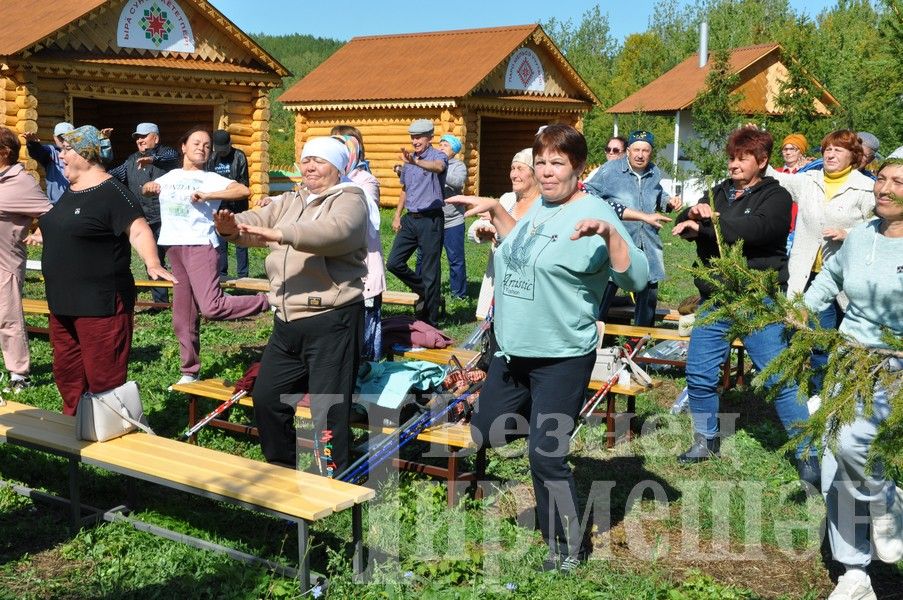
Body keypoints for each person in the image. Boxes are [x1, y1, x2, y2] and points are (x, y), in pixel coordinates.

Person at [448, 124, 649, 571]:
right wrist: (497, 217)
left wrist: (611, 236)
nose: (547, 171)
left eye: (557, 162)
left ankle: (567, 548)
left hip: (560, 355)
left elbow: (636, 278)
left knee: (545, 454)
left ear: (579, 167)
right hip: (511, 351)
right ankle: (541, 438)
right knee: (488, 430)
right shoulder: (538, 205)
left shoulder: (597, 212)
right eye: (541, 162)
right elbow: (526, 245)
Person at [214, 136, 368, 476]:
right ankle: (283, 467)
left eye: (320, 160)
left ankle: (335, 478)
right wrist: (231, 228)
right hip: (287, 322)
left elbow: (336, 233)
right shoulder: (291, 199)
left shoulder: (350, 200)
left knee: (327, 409)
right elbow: (258, 219)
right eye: (307, 159)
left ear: (338, 166)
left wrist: (280, 234)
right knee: (268, 398)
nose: (310, 166)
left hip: (332, 319)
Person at [671, 126, 815, 485]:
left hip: (756, 298)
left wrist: (708, 222)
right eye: (731, 157)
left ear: (762, 161)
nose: (734, 164)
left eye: (742, 158)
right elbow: (684, 220)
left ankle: (807, 453)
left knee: (778, 377)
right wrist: (692, 213)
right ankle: (706, 439)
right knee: (700, 374)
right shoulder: (718, 191)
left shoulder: (776, 196)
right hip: (715, 299)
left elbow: (757, 231)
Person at [804, 158, 903, 600]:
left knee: (854, 446)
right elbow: (831, 277)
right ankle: (855, 571)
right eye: (881, 178)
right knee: (835, 466)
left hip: (893, 366)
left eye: (898, 182)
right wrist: (800, 309)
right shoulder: (863, 234)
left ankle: (888, 503)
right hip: (849, 359)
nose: (885, 188)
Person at [30, 125, 174, 415]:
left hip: (101, 304)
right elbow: (70, 226)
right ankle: (74, 427)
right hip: (62, 302)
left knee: (104, 376)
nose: (61, 156)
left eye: (65, 150)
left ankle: (110, 434)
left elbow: (137, 228)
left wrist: (153, 262)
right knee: (68, 372)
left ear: (85, 153)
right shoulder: (71, 192)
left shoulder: (112, 191)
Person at [143, 127, 269, 387]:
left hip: (201, 246)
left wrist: (209, 196)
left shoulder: (211, 179)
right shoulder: (171, 176)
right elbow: (147, 188)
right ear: (184, 147)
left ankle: (267, 301)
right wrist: (150, 186)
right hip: (174, 248)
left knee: (212, 306)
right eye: (196, 143)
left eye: (207, 145)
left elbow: (243, 191)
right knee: (182, 317)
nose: (202, 148)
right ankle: (190, 371)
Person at [770, 130, 875, 384]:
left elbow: (879, 224)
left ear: (853, 156)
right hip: (807, 274)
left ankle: (838, 388)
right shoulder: (809, 180)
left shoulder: (865, 187)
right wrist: (758, 143)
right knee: (819, 336)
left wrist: (848, 233)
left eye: (838, 150)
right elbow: (774, 178)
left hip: (844, 276)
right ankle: (817, 392)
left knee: (844, 338)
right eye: (827, 149)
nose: (830, 154)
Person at [585, 130, 682, 326]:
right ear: (628, 151)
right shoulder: (610, 170)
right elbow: (589, 192)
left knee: (648, 296)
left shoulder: (654, 172)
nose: (640, 155)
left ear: (651, 152)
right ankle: (592, 340)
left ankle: (640, 346)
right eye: (636, 149)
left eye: (645, 150)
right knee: (605, 291)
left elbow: (657, 194)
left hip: (647, 244)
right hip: (616, 242)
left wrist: (669, 202)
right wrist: (612, 211)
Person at [0, 127, 52, 393]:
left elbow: (51, 212)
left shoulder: (20, 182)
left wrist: (41, 232)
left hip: (5, 263)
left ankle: (19, 374)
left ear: (4, 152)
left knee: (8, 319)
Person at [109, 122, 180, 304]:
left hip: (167, 218)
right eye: (137, 137)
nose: (139, 140)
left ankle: (186, 298)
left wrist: (152, 159)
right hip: (144, 219)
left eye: (143, 136)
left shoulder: (167, 154)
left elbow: (173, 157)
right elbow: (113, 175)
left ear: (155, 138)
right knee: (154, 259)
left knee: (178, 259)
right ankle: (160, 303)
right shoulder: (131, 160)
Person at [386, 119, 447, 325]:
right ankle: (431, 295)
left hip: (431, 219)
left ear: (430, 137)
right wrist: (396, 215)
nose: (415, 141)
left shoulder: (437, 156)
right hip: (410, 219)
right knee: (394, 263)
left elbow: (438, 167)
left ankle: (430, 320)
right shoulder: (409, 160)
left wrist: (416, 162)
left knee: (430, 270)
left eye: (419, 137)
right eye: (412, 137)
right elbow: (405, 189)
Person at [467, 147, 540, 320]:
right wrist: (480, 230)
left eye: (520, 169)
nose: (514, 175)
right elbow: (476, 227)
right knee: (492, 334)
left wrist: (497, 231)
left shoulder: (543, 205)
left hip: (524, 282)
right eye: (512, 169)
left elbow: (527, 238)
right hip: (496, 278)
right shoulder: (507, 199)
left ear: (535, 174)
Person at [333, 131, 386, 362]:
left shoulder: (366, 181)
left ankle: (365, 390)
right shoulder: (330, 183)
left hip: (364, 271)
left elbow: (367, 218)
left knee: (364, 338)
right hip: (337, 274)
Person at [207, 129, 250, 279]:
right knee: (221, 242)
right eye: (219, 150)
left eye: (224, 149)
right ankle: (222, 274)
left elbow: (244, 183)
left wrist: (231, 193)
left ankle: (243, 276)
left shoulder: (239, 156)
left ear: (229, 144)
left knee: (241, 241)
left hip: (238, 206)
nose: (222, 152)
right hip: (219, 206)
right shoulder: (211, 158)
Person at [434, 134, 468, 299]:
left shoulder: (458, 166)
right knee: (430, 258)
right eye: (440, 144)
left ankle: (458, 294)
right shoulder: (433, 164)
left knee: (455, 259)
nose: (441, 147)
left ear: (454, 150)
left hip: (453, 220)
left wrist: (440, 169)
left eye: (445, 145)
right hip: (433, 219)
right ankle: (428, 290)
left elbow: (457, 182)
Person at [23, 122, 73, 204]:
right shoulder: (52, 152)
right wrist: (33, 144)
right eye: (61, 136)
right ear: (54, 137)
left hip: (77, 202)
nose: (64, 139)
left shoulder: (80, 153)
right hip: (57, 205)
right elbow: (39, 152)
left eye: (68, 136)